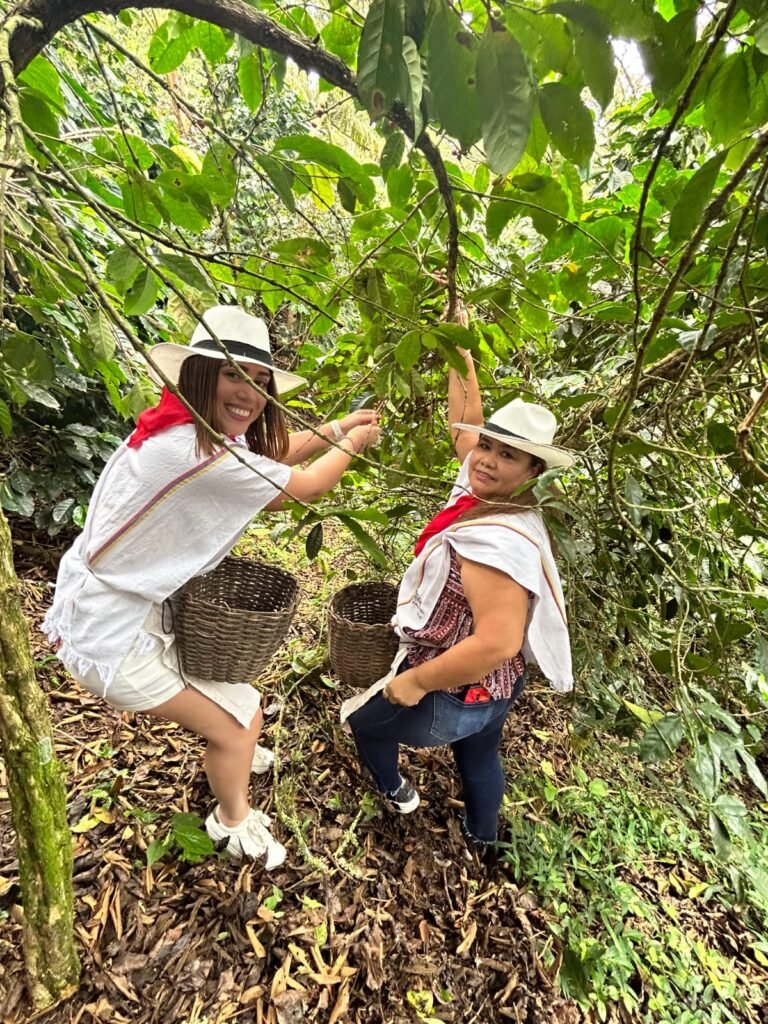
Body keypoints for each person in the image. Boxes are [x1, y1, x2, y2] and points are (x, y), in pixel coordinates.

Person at [44, 304, 380, 869]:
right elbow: (300, 487)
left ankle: (237, 749)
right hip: (113, 634)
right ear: (200, 373)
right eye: (232, 375)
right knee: (241, 719)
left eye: (259, 381)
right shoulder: (199, 454)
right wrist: (352, 446)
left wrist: (338, 426)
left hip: (106, 608)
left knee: (241, 710)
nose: (249, 394)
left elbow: (270, 456)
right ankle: (232, 821)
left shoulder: (182, 428)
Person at [341, 318, 574, 861]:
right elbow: (463, 424)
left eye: (506, 455)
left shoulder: (494, 541)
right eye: (488, 446)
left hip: (455, 691)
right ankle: (484, 836)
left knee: (365, 723)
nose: (486, 457)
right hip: (496, 691)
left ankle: (396, 792)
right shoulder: (488, 491)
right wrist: (458, 343)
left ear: (532, 470)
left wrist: (413, 684)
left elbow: (497, 642)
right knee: (480, 755)